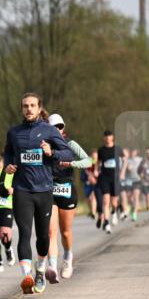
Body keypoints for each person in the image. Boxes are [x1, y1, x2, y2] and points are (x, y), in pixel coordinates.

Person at [4, 92, 73, 295]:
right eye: (25, 106)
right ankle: (27, 276)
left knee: (43, 236)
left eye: (32, 105)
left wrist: (52, 153)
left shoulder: (49, 130)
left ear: (39, 107)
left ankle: (40, 271)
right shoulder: (14, 132)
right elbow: (8, 151)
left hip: (44, 190)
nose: (29, 109)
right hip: (22, 190)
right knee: (24, 234)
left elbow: (67, 153)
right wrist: (9, 165)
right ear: (22, 108)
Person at [45, 114, 93, 281]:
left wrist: (72, 164)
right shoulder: (44, 145)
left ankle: (67, 259)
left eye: (60, 126)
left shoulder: (70, 144)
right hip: (49, 189)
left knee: (65, 232)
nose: (57, 130)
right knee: (51, 231)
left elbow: (88, 161)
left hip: (66, 189)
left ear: (63, 128)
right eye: (53, 127)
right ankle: (52, 267)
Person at [96, 131, 120, 234]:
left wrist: (122, 172)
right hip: (104, 178)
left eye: (109, 136)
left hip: (115, 178)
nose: (107, 138)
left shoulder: (117, 149)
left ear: (112, 137)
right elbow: (98, 162)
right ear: (104, 138)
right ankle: (106, 222)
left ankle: (114, 212)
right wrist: (96, 170)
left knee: (114, 202)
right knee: (106, 201)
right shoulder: (101, 150)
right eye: (106, 136)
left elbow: (125, 158)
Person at [121, 148, 142, 223]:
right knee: (129, 197)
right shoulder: (127, 160)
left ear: (136, 152)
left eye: (134, 151)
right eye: (132, 151)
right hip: (129, 181)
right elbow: (128, 168)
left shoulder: (140, 160)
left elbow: (144, 166)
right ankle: (132, 208)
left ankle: (135, 214)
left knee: (136, 196)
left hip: (137, 180)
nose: (133, 153)